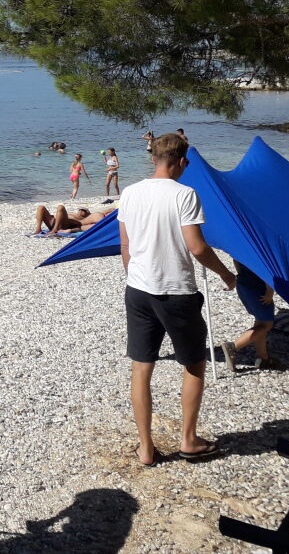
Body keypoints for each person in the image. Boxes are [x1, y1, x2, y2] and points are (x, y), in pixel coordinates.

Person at [119, 133, 236, 466]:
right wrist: (226, 274)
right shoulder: (185, 194)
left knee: (142, 368)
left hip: (138, 291)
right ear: (182, 161)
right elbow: (197, 247)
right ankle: (188, 440)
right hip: (177, 293)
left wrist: (136, 276)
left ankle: (145, 448)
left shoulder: (130, 192)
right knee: (195, 364)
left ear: (153, 158)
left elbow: (126, 246)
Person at [222, 262, 280, 371]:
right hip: (258, 288)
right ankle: (233, 347)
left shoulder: (243, 246)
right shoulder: (261, 249)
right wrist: (269, 292)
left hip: (243, 284)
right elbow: (267, 271)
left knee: (260, 321)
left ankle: (263, 359)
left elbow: (236, 261)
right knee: (267, 324)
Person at [34, 204, 114, 234]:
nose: (82, 210)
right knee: (41, 207)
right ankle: (38, 229)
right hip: (54, 221)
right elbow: (112, 209)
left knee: (60, 207)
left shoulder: (99, 219)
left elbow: (86, 228)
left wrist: (70, 230)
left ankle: (54, 230)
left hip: (63, 225)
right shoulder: (98, 214)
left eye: (85, 211)